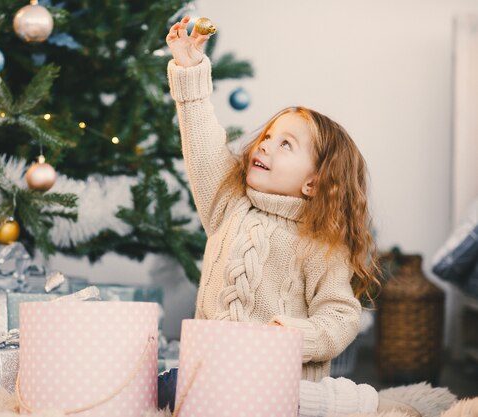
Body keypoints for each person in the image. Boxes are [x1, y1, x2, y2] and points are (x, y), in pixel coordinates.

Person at [158, 15, 420, 416]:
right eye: (267, 137)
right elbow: (203, 141)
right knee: (164, 385)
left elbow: (341, 314)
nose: (264, 147)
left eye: (286, 145)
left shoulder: (319, 242)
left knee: (313, 402)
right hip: (212, 379)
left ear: (314, 183)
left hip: (278, 386)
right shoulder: (228, 203)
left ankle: (373, 406)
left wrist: (295, 335)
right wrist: (190, 69)